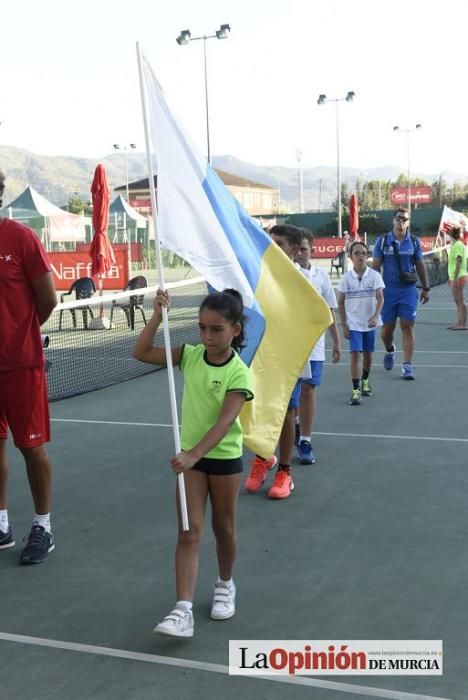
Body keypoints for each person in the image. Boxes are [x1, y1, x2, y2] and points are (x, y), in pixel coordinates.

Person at [133, 287, 253, 638]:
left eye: (216, 329)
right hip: (191, 462)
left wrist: (193, 455)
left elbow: (225, 422)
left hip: (221, 459)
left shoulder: (240, 373)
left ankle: (226, 584)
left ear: (235, 330)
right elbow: (140, 351)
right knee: (188, 532)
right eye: (202, 328)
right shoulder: (189, 355)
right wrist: (158, 314)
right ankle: (182, 609)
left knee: (224, 529)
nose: (207, 335)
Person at [244, 225, 339, 499]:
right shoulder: (260, 275)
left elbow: (319, 316)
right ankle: (263, 457)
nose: (273, 247)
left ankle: (284, 471)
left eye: (280, 243)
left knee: (286, 412)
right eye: (271, 242)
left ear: (295, 250)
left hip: (291, 358)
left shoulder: (304, 283)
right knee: (257, 408)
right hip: (261, 355)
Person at [0, 170, 58, 564]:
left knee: (31, 448)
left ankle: (43, 526)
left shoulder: (21, 238)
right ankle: (1, 522)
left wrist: (18, 335)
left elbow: (48, 299)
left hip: (21, 365)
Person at [294, 230, 340, 461]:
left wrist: (337, 340)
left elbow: (328, 311)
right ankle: (294, 424)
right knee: (291, 395)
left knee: (308, 391)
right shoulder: (286, 274)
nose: (300, 253)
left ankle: (305, 441)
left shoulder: (321, 277)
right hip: (290, 345)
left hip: (315, 346)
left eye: (304, 249)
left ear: (311, 250)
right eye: (297, 249)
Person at [372, 207, 430, 380]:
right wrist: (373, 291)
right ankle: (390, 350)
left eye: (405, 219)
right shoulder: (382, 242)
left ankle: (407, 366)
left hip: (408, 291)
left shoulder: (414, 242)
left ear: (408, 222)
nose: (401, 221)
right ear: (393, 220)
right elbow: (375, 268)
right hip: (387, 292)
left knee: (407, 325)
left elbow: (420, 265)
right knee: (386, 331)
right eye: (398, 218)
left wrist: (426, 288)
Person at [337, 241, 385, 405]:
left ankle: (365, 379)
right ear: (351, 257)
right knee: (355, 354)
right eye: (357, 253)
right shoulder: (345, 278)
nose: (361, 256)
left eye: (363, 253)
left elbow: (380, 298)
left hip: (369, 323)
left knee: (368, 355)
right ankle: (356, 389)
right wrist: (344, 325)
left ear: (367, 256)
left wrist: (374, 316)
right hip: (353, 324)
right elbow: (340, 303)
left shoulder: (375, 276)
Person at [447, 226, 467, 330]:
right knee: (457, 301)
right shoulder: (455, 246)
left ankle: (463, 324)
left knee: (460, 300)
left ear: (451, 236)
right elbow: (453, 264)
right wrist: (450, 277)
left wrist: (455, 277)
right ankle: (459, 322)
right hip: (455, 276)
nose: (448, 238)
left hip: (458, 276)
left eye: (448, 236)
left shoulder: (458, 245)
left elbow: (459, 262)